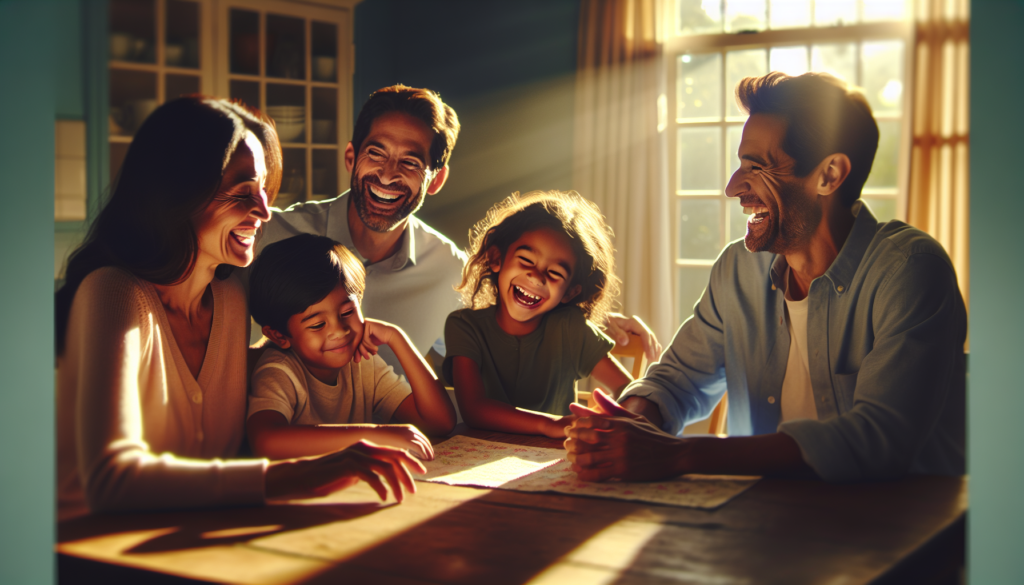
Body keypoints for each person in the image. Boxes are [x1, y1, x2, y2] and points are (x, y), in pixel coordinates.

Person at [565, 72, 966, 483]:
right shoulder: (737, 269)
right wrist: (626, 429)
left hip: (896, 530)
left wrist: (680, 454)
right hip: (756, 522)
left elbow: (877, 438)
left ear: (828, 175)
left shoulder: (911, 270)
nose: (733, 187)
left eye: (756, 167)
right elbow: (677, 381)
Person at [55, 97, 424, 520]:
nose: (264, 212)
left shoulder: (231, 299)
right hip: (86, 552)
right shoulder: (114, 292)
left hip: (200, 536)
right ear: (179, 193)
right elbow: (110, 479)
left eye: (264, 192)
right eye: (243, 193)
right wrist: (303, 475)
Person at [258, 84, 662, 374]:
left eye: (411, 163)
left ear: (436, 180)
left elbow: (515, 308)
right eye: (375, 153)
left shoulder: (450, 270)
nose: (387, 174)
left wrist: (601, 320)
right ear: (351, 157)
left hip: (392, 452)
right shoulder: (272, 236)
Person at [246, 234, 457, 461]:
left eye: (347, 312)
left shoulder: (362, 363)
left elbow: (440, 422)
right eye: (317, 324)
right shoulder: (279, 372)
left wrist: (397, 338)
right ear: (279, 335)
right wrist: (373, 435)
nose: (340, 330)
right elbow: (265, 442)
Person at [442, 191, 633, 438]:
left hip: (554, 460)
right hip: (476, 460)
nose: (536, 276)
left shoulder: (570, 330)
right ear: (496, 258)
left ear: (569, 292)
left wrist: (603, 420)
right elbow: (474, 409)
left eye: (554, 273)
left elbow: (628, 389)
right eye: (525, 260)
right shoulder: (464, 326)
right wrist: (549, 425)